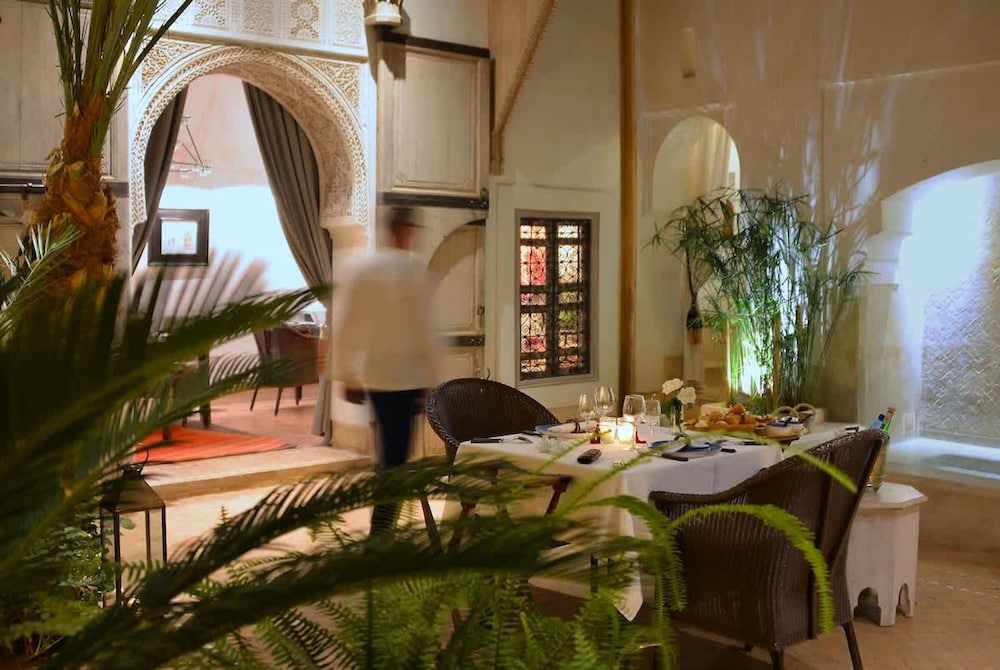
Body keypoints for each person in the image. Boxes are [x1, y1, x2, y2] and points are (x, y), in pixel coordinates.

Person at [328, 207, 440, 533]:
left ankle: (383, 525)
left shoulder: (366, 270)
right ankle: (382, 528)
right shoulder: (414, 274)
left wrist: (347, 374)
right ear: (405, 230)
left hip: (377, 378)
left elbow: (348, 326)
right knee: (395, 457)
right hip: (406, 379)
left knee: (390, 453)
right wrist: (432, 378)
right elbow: (427, 332)